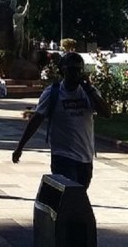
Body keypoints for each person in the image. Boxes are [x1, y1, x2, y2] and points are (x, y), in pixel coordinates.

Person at [12, 53, 110, 188]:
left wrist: (89, 90)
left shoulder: (88, 92)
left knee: (78, 195)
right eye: (71, 69)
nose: (75, 74)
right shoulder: (52, 93)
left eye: (79, 70)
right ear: (63, 71)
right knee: (71, 194)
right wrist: (20, 147)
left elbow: (106, 113)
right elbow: (36, 120)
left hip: (85, 157)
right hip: (63, 157)